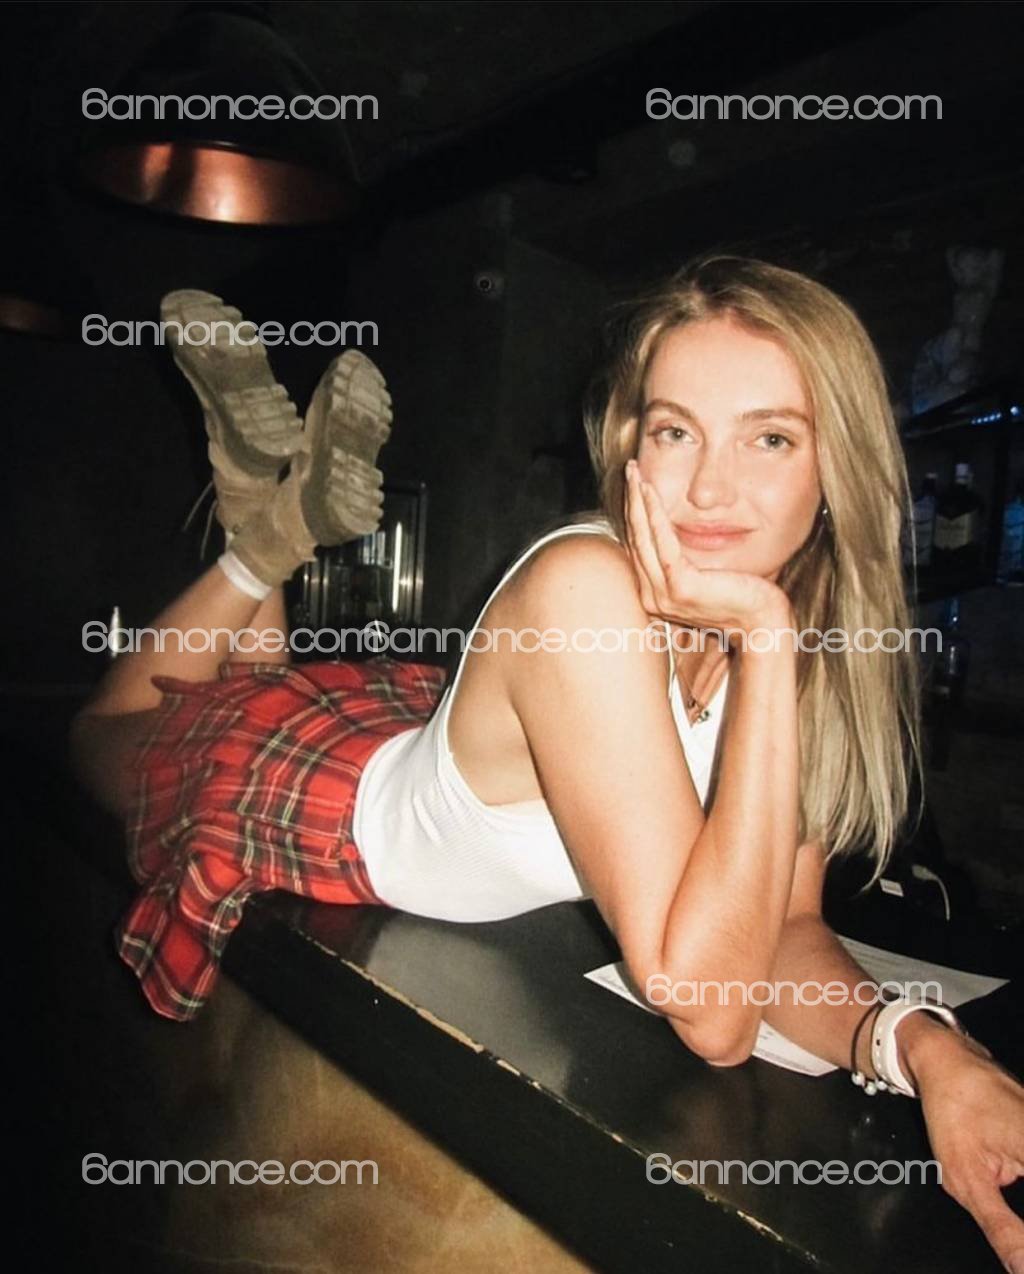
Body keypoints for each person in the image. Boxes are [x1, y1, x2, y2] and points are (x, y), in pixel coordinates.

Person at [70, 261, 1023, 1272]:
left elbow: (782, 925)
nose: (708, 488)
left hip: (431, 745)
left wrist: (925, 1048)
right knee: (105, 732)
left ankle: (262, 510)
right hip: (330, 802)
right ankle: (261, 542)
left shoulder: (797, 633)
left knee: (252, 677)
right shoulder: (591, 593)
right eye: (676, 431)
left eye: (770, 437)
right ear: (632, 447)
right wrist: (767, 636)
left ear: (839, 468)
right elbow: (710, 1006)